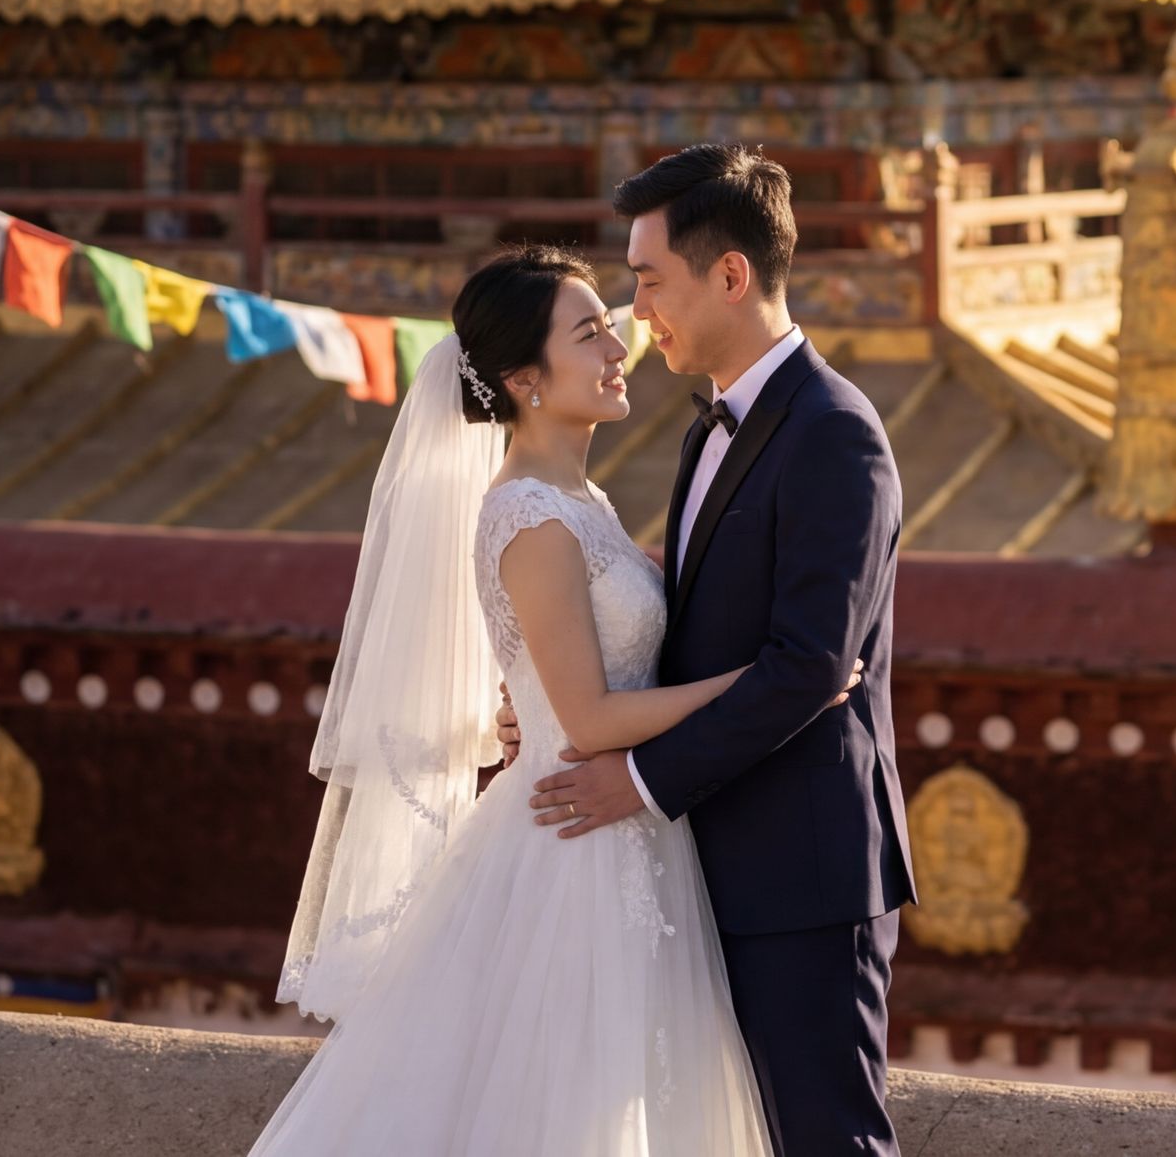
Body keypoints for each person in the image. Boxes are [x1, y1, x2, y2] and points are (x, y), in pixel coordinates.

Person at [251, 245, 803, 1154]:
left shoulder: (579, 498)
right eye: (590, 335)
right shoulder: (530, 515)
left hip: (630, 832)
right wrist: (760, 681)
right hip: (574, 848)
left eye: (611, 328)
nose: (618, 348)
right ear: (525, 380)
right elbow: (585, 720)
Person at [518, 146, 915, 1157]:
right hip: (708, 865)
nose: (634, 308)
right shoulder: (707, 433)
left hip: (806, 871)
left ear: (729, 276)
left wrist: (639, 781)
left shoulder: (836, 436)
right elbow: (693, 641)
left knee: (827, 1142)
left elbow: (811, 667)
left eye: (649, 280)